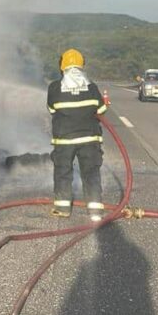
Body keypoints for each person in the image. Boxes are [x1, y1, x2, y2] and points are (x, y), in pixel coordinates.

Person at [47, 49, 108, 221]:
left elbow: (52, 109)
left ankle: (63, 208)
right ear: (82, 66)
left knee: (63, 172)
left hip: (64, 140)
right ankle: (95, 211)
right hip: (89, 139)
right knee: (91, 173)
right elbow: (102, 110)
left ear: (62, 67)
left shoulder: (54, 87)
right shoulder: (92, 87)